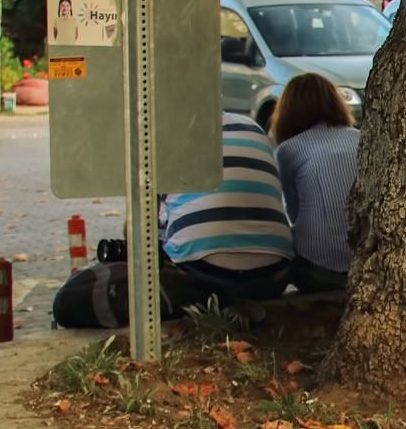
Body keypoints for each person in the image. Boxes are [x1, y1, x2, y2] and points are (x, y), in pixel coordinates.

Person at [51, 113, 294, 328]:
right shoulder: (252, 127)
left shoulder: (167, 135)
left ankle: (207, 298)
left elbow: (136, 232)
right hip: (274, 277)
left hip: (206, 276)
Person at [269, 73, 358, 292]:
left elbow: (293, 212)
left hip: (321, 270)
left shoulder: (288, 151)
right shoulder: (361, 138)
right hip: (367, 263)